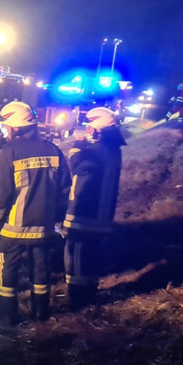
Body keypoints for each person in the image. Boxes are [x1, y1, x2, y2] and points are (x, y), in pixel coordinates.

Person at [0, 101, 71, 324]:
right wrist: (58, 219)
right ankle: (41, 315)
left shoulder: (10, 152)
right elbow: (64, 191)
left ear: (14, 127)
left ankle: (7, 317)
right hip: (44, 229)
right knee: (41, 272)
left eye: (6, 126)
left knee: (8, 274)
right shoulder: (54, 151)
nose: (4, 130)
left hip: (13, 229)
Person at [63, 107, 124, 311]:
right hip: (100, 213)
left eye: (90, 129)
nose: (87, 132)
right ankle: (87, 294)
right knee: (89, 256)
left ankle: (79, 300)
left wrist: (76, 148)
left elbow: (77, 166)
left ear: (99, 130)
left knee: (78, 255)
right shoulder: (113, 149)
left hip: (87, 215)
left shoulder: (97, 151)